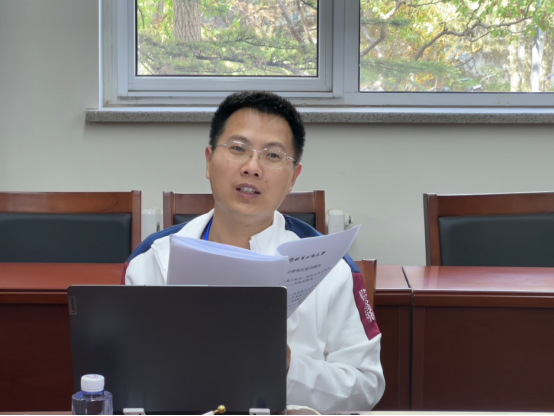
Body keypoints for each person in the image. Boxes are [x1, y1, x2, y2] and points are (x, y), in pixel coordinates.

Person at [123, 91, 385, 412]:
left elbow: (366, 387)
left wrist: (287, 367)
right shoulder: (150, 259)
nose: (252, 167)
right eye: (238, 149)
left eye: (273, 155)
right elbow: (124, 380)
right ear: (208, 161)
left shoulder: (332, 267)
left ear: (293, 178)